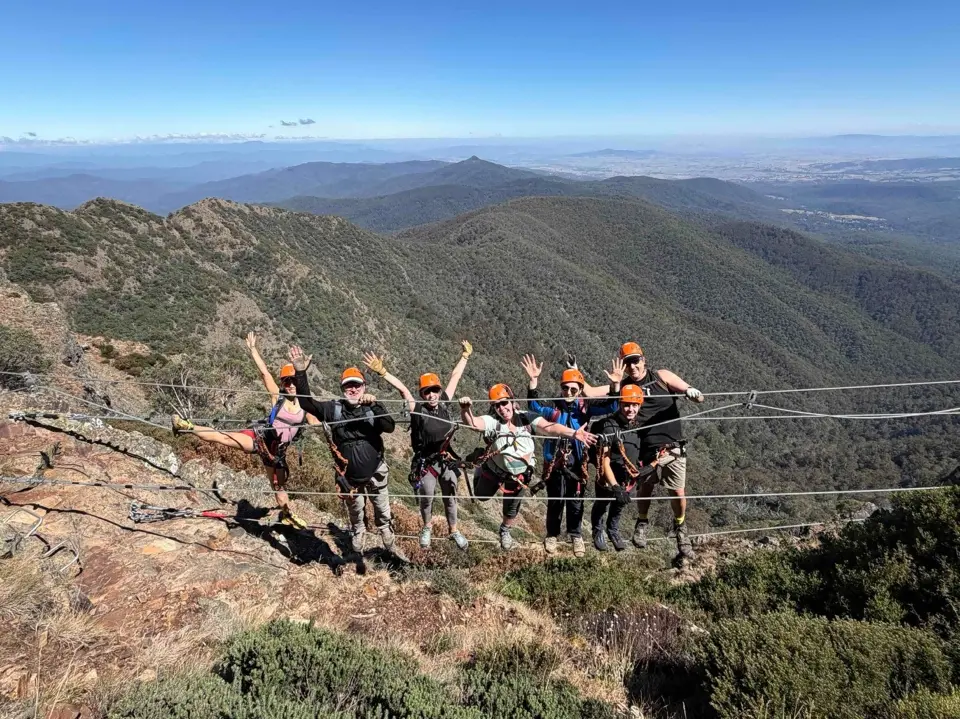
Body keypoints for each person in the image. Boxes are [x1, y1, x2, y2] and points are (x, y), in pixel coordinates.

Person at [171, 332, 318, 529]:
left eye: (293, 381)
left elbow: (317, 421)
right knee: (222, 437)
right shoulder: (278, 396)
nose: (290, 385)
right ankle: (186, 426)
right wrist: (252, 349)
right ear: (282, 383)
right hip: (260, 439)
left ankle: (286, 514)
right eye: (286, 381)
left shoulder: (305, 404)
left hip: (276, 453)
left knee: (279, 486)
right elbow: (265, 373)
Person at [287, 345, 405, 561]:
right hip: (349, 476)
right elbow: (306, 402)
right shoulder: (334, 409)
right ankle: (358, 531)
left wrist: (377, 405)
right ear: (342, 389)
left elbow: (389, 427)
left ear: (364, 386)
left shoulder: (371, 409)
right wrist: (300, 373)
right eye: (348, 386)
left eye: (357, 385)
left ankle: (386, 533)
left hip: (376, 470)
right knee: (355, 509)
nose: (353, 390)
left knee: (382, 508)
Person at [361, 341, 473, 550]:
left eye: (434, 391)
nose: (431, 395)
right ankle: (427, 527)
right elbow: (403, 390)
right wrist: (383, 373)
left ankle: (454, 530)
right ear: (422, 394)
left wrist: (465, 357)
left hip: (446, 459)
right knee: (427, 498)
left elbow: (455, 377)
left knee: (450, 496)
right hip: (426, 462)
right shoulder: (418, 408)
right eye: (427, 392)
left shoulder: (445, 402)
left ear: (439, 392)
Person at [459, 384, 598, 550]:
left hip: (519, 473)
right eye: (497, 405)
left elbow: (550, 428)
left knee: (511, 507)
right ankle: (480, 465)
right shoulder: (492, 422)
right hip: (495, 468)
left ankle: (505, 530)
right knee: (481, 495)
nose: (502, 409)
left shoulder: (526, 418)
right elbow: (474, 424)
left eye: (504, 403)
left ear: (512, 402)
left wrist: (574, 434)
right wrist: (465, 410)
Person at [521, 354, 622, 557]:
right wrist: (533, 383)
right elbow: (534, 407)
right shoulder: (555, 410)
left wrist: (615, 387)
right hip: (555, 462)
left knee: (575, 500)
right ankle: (552, 534)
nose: (569, 392)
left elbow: (612, 406)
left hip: (577, 462)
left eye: (573, 389)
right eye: (566, 388)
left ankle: (576, 535)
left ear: (579, 390)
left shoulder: (584, 409)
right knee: (555, 500)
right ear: (561, 388)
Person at [614, 341, 704, 563]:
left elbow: (694, 393)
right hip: (646, 446)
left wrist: (692, 393)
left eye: (635, 361)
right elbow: (594, 395)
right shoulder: (623, 387)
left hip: (673, 445)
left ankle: (681, 527)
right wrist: (574, 376)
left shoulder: (660, 377)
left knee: (678, 492)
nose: (632, 366)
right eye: (627, 363)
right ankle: (642, 522)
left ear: (643, 360)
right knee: (645, 486)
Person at [591, 385, 646, 551]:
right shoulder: (610, 426)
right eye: (627, 405)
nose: (630, 409)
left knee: (619, 505)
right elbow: (605, 459)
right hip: (608, 475)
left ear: (639, 406)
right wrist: (614, 486)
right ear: (620, 404)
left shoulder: (639, 425)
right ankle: (597, 530)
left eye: (634, 405)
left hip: (627, 475)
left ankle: (613, 530)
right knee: (602, 503)